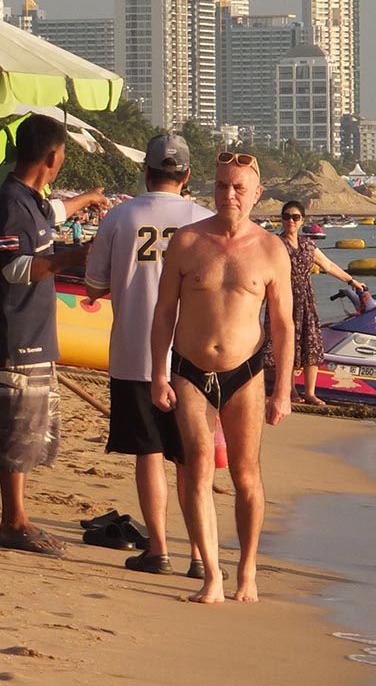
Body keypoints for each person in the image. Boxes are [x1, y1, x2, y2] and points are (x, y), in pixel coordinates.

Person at [151, 151, 294, 603]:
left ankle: (247, 569)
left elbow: (283, 325)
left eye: (238, 187)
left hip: (245, 373)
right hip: (189, 369)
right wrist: (158, 373)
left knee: (245, 474)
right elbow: (164, 311)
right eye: (221, 185)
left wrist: (283, 390)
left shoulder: (271, 249)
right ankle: (212, 574)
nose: (228, 194)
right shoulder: (187, 241)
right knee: (196, 467)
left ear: (257, 193)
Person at [85, 134, 210, 576]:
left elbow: (95, 285)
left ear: (146, 172)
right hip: (193, 357)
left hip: (134, 351)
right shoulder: (204, 220)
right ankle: (199, 554)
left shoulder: (120, 216)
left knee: (150, 453)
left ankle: (158, 549)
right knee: (192, 457)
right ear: (187, 175)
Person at [0, 113, 109, 556]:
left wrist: (91, 198)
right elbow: (14, 268)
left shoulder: (33, 200)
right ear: (52, 157)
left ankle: (16, 516)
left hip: (35, 336)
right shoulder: (11, 202)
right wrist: (75, 256)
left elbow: (56, 213)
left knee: (27, 433)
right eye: (62, 153)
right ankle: (14, 522)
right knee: (16, 433)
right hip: (17, 337)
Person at [262, 200, 366, 406]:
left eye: (295, 217)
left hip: (306, 301)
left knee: (311, 344)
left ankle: (310, 393)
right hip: (282, 299)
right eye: (286, 217)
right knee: (285, 345)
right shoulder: (275, 244)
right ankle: (290, 390)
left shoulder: (308, 245)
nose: (291, 221)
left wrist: (351, 280)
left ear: (302, 220)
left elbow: (328, 265)